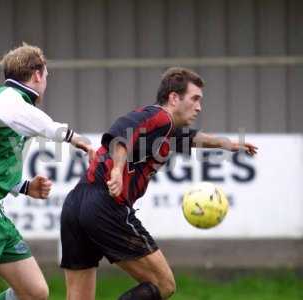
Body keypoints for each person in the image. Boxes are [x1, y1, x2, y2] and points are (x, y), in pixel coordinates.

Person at [60, 67, 258, 300]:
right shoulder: (160, 117)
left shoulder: (165, 130)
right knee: (163, 284)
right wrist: (116, 170)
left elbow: (190, 138)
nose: (199, 107)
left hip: (75, 203)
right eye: (195, 99)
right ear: (174, 98)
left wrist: (227, 144)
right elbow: (120, 133)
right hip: (105, 204)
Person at [0, 43, 94, 300]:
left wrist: (23, 187)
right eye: (46, 75)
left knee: (35, 292)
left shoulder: (10, 108)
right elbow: (36, 121)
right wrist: (75, 138)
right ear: (37, 74)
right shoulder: (7, 99)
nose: (46, 81)